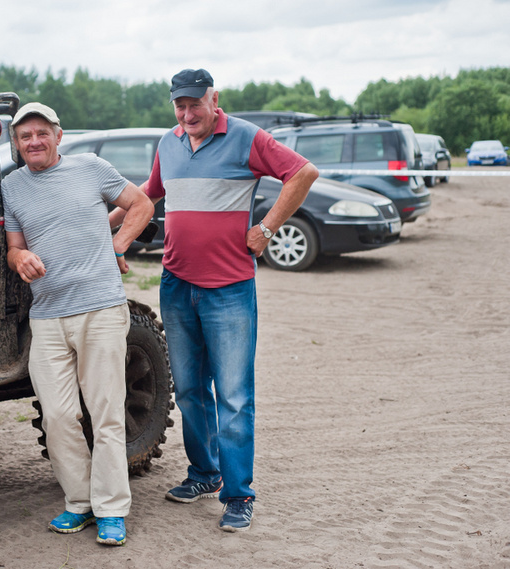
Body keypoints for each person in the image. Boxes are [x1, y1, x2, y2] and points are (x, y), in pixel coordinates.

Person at [111, 69, 318, 532]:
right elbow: (149, 193)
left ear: (213, 99)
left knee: (234, 396)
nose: (187, 115)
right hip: (177, 285)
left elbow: (303, 172)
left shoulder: (247, 137)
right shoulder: (169, 142)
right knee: (187, 390)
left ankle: (239, 494)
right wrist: (101, 226)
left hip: (229, 289)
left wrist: (266, 229)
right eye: (179, 107)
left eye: (194, 105)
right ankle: (204, 473)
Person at [2, 102, 154, 547]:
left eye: (41, 133)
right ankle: (79, 502)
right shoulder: (12, 187)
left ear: (58, 135)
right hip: (47, 317)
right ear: (16, 143)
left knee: (106, 414)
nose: (34, 142)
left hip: (101, 311)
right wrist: (19, 257)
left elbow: (140, 203)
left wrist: (118, 243)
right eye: (25, 136)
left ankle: (111, 510)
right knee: (58, 415)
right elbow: (14, 247)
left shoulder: (91, 168)